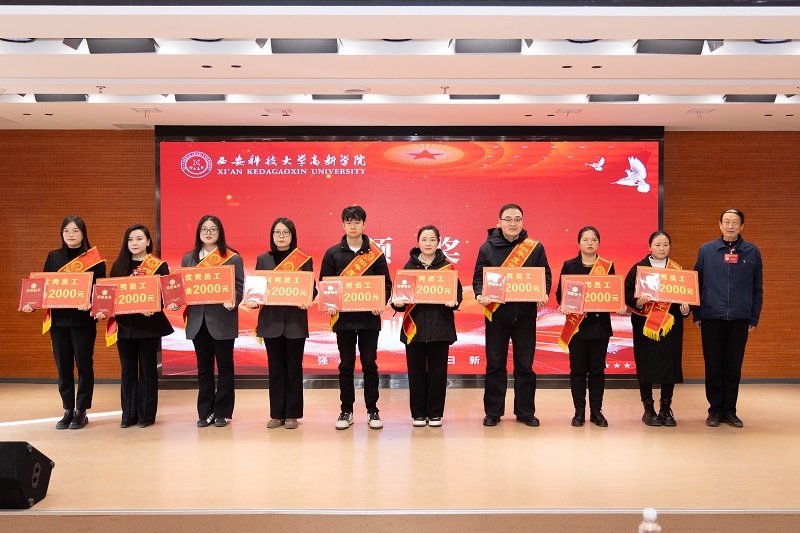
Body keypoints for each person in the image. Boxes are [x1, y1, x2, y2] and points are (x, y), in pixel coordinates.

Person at [22, 216, 106, 430]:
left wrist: (91, 303)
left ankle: (82, 410)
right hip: (58, 322)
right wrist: (31, 304)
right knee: (63, 366)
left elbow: (100, 291)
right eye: (66, 231)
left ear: (83, 233)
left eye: (75, 230)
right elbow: (43, 286)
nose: (71, 234)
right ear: (61, 234)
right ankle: (68, 409)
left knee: (84, 366)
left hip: (83, 322)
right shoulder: (54, 256)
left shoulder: (95, 260)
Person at [472, 204, 551, 428]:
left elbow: (544, 274)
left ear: (523, 221)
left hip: (525, 315)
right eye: (508, 219)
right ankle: (493, 412)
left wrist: (543, 292)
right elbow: (478, 278)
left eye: (517, 219)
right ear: (500, 222)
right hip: (497, 315)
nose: (513, 223)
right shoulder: (487, 248)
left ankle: (525, 412)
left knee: (525, 365)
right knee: (495, 365)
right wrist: (479, 294)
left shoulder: (534, 247)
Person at [320, 205, 392, 430]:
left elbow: (386, 284)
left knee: (369, 364)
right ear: (343, 225)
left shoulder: (375, 253)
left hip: (369, 319)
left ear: (364, 224)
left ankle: (372, 410)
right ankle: (346, 411)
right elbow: (325, 284)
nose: (353, 226)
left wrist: (380, 302)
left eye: (357, 222)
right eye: (348, 222)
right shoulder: (333, 253)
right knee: (346, 365)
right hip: (343, 320)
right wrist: (329, 304)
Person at [694, 209, 763, 428]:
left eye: (735, 222)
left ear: (742, 226)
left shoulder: (752, 252)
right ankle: (714, 410)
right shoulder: (707, 250)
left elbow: (757, 288)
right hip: (711, 316)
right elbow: (696, 284)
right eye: (726, 222)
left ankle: (730, 411)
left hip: (739, 318)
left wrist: (753, 316)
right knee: (713, 366)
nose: (730, 226)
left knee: (733, 367)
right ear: (720, 225)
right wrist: (697, 314)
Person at [102, 224, 173, 428]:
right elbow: (110, 296)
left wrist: (154, 305)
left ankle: (146, 415)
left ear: (148, 241)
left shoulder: (159, 266)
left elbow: (166, 295)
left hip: (149, 326)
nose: (135, 243)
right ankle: (128, 415)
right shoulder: (119, 266)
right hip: (124, 326)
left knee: (148, 371)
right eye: (131, 239)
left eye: (139, 239)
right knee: (128, 370)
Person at [176, 215, 244, 428]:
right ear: (198, 233)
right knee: (203, 368)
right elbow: (183, 289)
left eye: (213, 229)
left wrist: (233, 300)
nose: (208, 233)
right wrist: (175, 300)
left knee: (225, 367)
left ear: (219, 232)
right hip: (198, 321)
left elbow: (239, 288)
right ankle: (205, 412)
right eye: (204, 229)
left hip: (222, 320)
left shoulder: (232, 258)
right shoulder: (189, 259)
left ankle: (222, 412)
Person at [391, 225, 463, 427]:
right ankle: (418, 414)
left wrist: (454, 301)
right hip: (414, 328)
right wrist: (398, 303)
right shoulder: (409, 267)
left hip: (440, 328)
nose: (428, 243)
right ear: (418, 242)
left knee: (438, 373)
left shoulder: (447, 268)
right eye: (424, 239)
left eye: (432, 239)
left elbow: (457, 295)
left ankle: (435, 413)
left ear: (438, 242)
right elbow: (399, 298)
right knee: (415, 372)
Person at [247, 218, 315, 430]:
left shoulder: (303, 259)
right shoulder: (263, 259)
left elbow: (311, 289)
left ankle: (292, 414)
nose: (281, 236)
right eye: (277, 232)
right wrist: (253, 299)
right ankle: (276, 414)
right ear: (272, 235)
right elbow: (257, 288)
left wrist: (307, 298)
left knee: (294, 369)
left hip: (295, 322)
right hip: (271, 322)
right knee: (275, 369)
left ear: (292, 235)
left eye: (286, 232)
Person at [556, 226, 623, 428]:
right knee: (577, 371)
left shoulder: (607, 266)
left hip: (600, 327)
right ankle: (579, 412)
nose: (590, 243)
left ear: (599, 243)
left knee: (597, 371)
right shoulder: (569, 265)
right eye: (585, 239)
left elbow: (613, 294)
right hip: (577, 328)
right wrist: (564, 305)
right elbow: (560, 294)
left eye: (593, 239)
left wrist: (618, 305)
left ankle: (596, 411)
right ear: (579, 243)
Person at [624, 231, 690, 427]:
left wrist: (686, 310)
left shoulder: (678, 271)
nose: (662, 248)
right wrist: (638, 302)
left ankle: (665, 408)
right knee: (646, 365)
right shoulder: (639, 269)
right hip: (645, 326)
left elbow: (687, 296)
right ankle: (648, 409)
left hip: (670, 327)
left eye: (666, 244)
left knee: (669, 365)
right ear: (649, 247)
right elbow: (627, 294)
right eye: (658, 244)